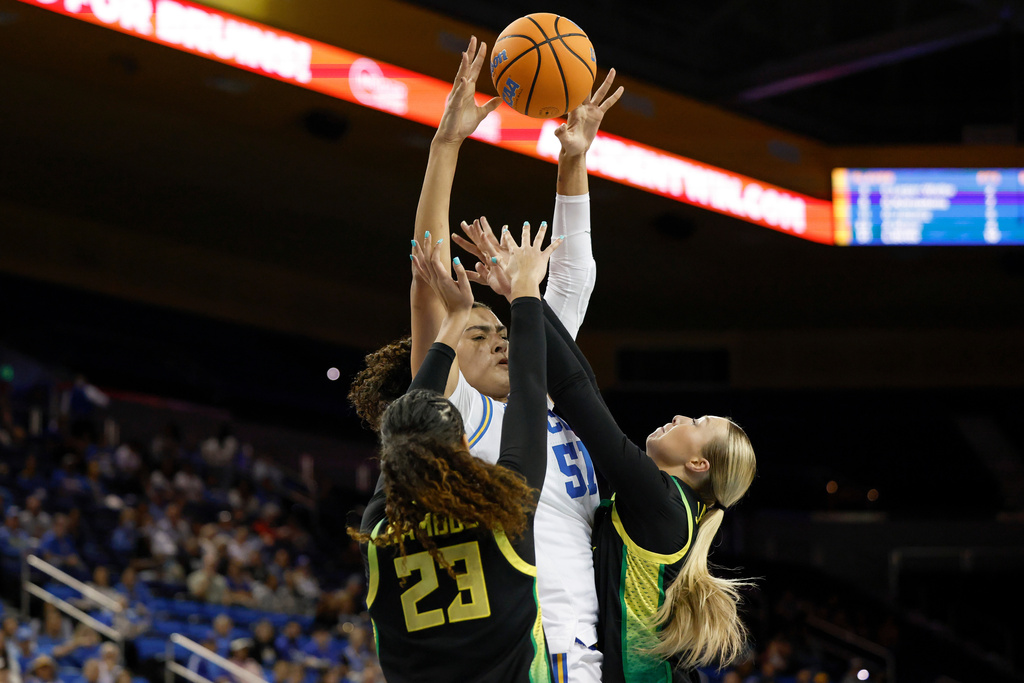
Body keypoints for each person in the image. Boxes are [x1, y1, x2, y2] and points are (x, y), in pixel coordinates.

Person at [406, 35, 623, 682]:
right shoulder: (461, 417)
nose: (500, 337)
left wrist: (573, 159)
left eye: (502, 330)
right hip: (531, 654)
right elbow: (428, 275)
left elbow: (572, 279)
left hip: (583, 653)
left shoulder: (545, 390)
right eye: (477, 335)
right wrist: (446, 145)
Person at [465, 236, 758, 682]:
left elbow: (577, 393)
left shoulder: (664, 504)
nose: (681, 416)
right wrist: (525, 295)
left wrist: (524, 293)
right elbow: (582, 383)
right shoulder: (673, 510)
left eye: (696, 422)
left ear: (699, 464)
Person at [352, 223, 559, 682]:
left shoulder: (381, 534)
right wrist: (508, 294)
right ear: (461, 448)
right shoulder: (503, 515)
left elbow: (528, 388)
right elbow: (530, 396)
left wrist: (517, 292)